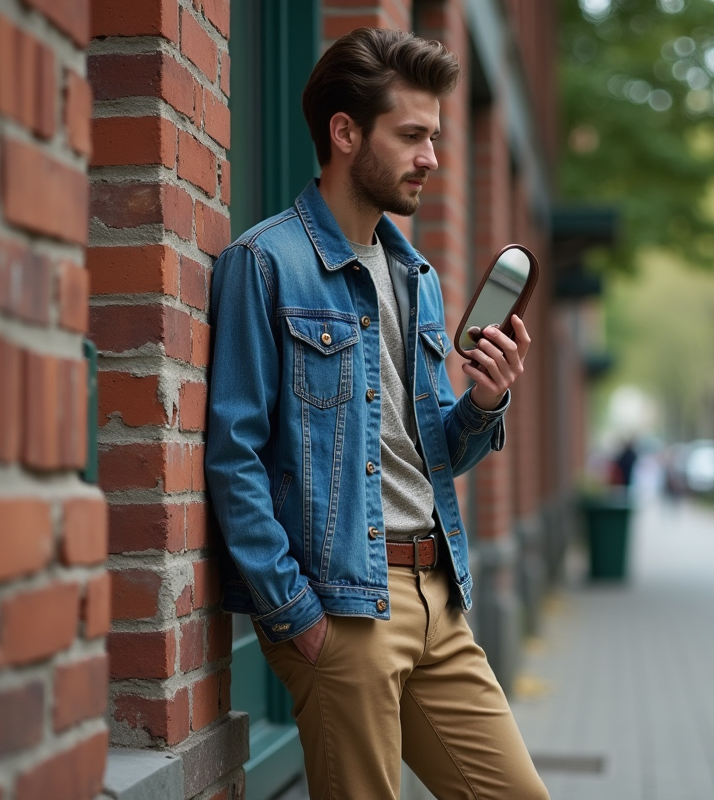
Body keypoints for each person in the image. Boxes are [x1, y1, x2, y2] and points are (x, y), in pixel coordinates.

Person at [204, 28, 549, 800]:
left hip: (440, 598)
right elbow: (234, 456)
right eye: (413, 135)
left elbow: (425, 452)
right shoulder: (265, 265)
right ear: (345, 132)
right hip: (343, 610)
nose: (432, 156)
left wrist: (484, 403)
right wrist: (298, 617)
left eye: (434, 135)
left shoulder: (415, 275)